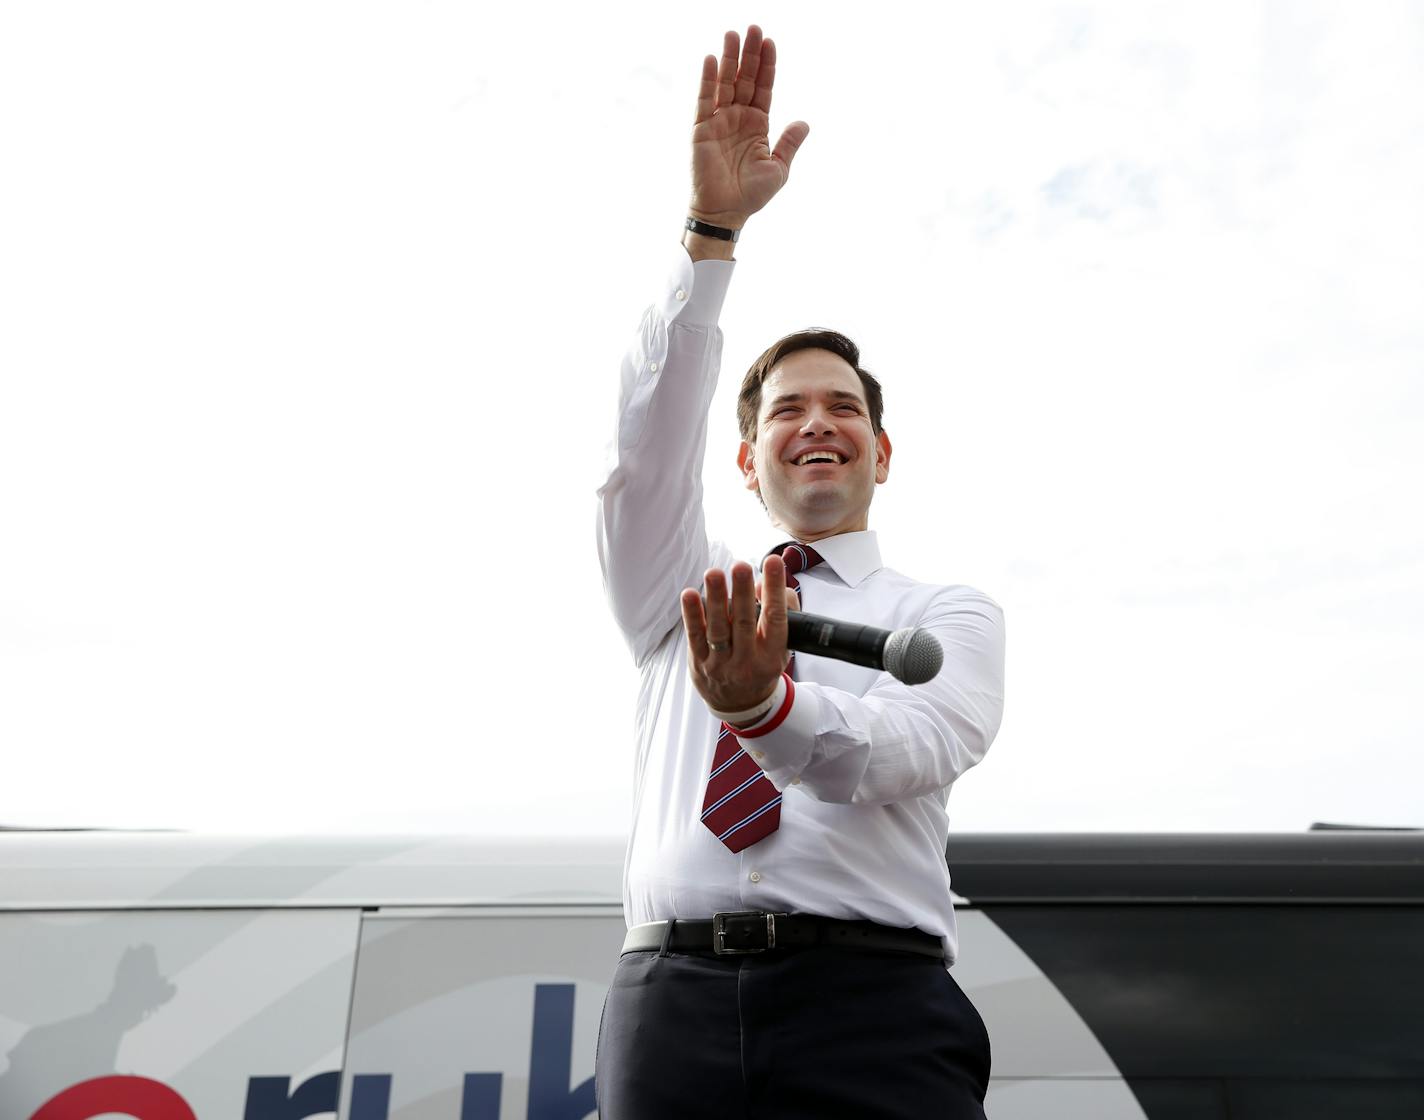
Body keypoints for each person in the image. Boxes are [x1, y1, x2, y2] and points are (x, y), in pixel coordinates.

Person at [594, 23, 1005, 1120]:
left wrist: (765, 707)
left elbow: (909, 750)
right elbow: (640, 459)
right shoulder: (678, 586)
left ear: (880, 450)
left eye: (842, 408)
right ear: (743, 459)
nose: (815, 423)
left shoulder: (944, 612)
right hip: (667, 1002)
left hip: (870, 1007)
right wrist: (710, 234)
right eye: (786, 409)